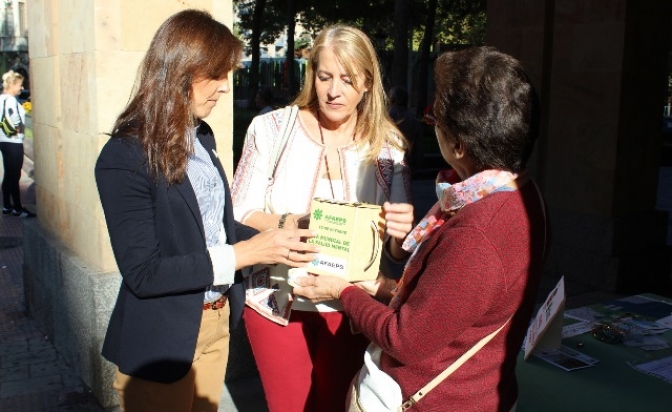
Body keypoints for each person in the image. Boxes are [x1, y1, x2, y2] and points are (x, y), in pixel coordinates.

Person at [294, 46, 546, 411]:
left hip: (438, 399)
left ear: (458, 145)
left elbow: (405, 339)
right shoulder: (522, 193)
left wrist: (344, 291)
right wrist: (382, 287)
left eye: (433, 117)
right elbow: (457, 305)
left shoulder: (476, 231)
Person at [94, 10, 318, 412]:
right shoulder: (123, 156)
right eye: (215, 75)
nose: (224, 88)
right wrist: (244, 255)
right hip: (163, 342)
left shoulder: (202, 139)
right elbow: (144, 272)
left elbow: (213, 228)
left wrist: (283, 233)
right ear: (180, 71)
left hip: (215, 324)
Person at [231, 25, 414, 412]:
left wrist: (400, 233)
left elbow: (398, 251)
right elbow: (240, 212)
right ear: (311, 74)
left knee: (337, 405)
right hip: (276, 303)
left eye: (348, 80)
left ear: (367, 83)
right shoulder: (271, 130)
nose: (334, 91)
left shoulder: (388, 146)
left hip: (352, 309)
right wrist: (293, 225)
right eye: (325, 76)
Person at [0, 70, 34, 218]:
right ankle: (18, 208)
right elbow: (13, 118)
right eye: (20, 85)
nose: (21, 88)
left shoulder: (1, 99)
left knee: (8, 174)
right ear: (12, 84)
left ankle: (7, 205)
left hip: (3, 140)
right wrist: (19, 129)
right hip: (13, 141)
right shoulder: (11, 101)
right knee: (15, 176)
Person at [388, 86, 421, 168]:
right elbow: (418, 147)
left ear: (392, 99)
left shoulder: (387, 116)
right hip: (407, 162)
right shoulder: (413, 119)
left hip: (389, 161)